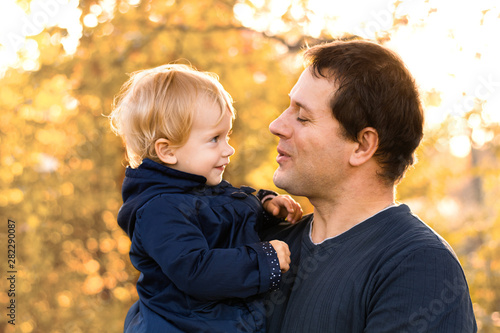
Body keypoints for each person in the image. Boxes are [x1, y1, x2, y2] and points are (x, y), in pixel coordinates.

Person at [263, 39, 477, 332]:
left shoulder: (418, 266)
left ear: (362, 146)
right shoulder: (269, 243)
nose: (277, 125)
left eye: (302, 116)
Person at [109, 63, 303, 333]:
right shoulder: (159, 210)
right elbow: (196, 270)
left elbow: (228, 212)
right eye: (214, 139)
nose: (229, 149)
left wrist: (266, 206)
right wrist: (265, 260)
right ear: (167, 151)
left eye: (227, 136)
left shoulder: (202, 188)